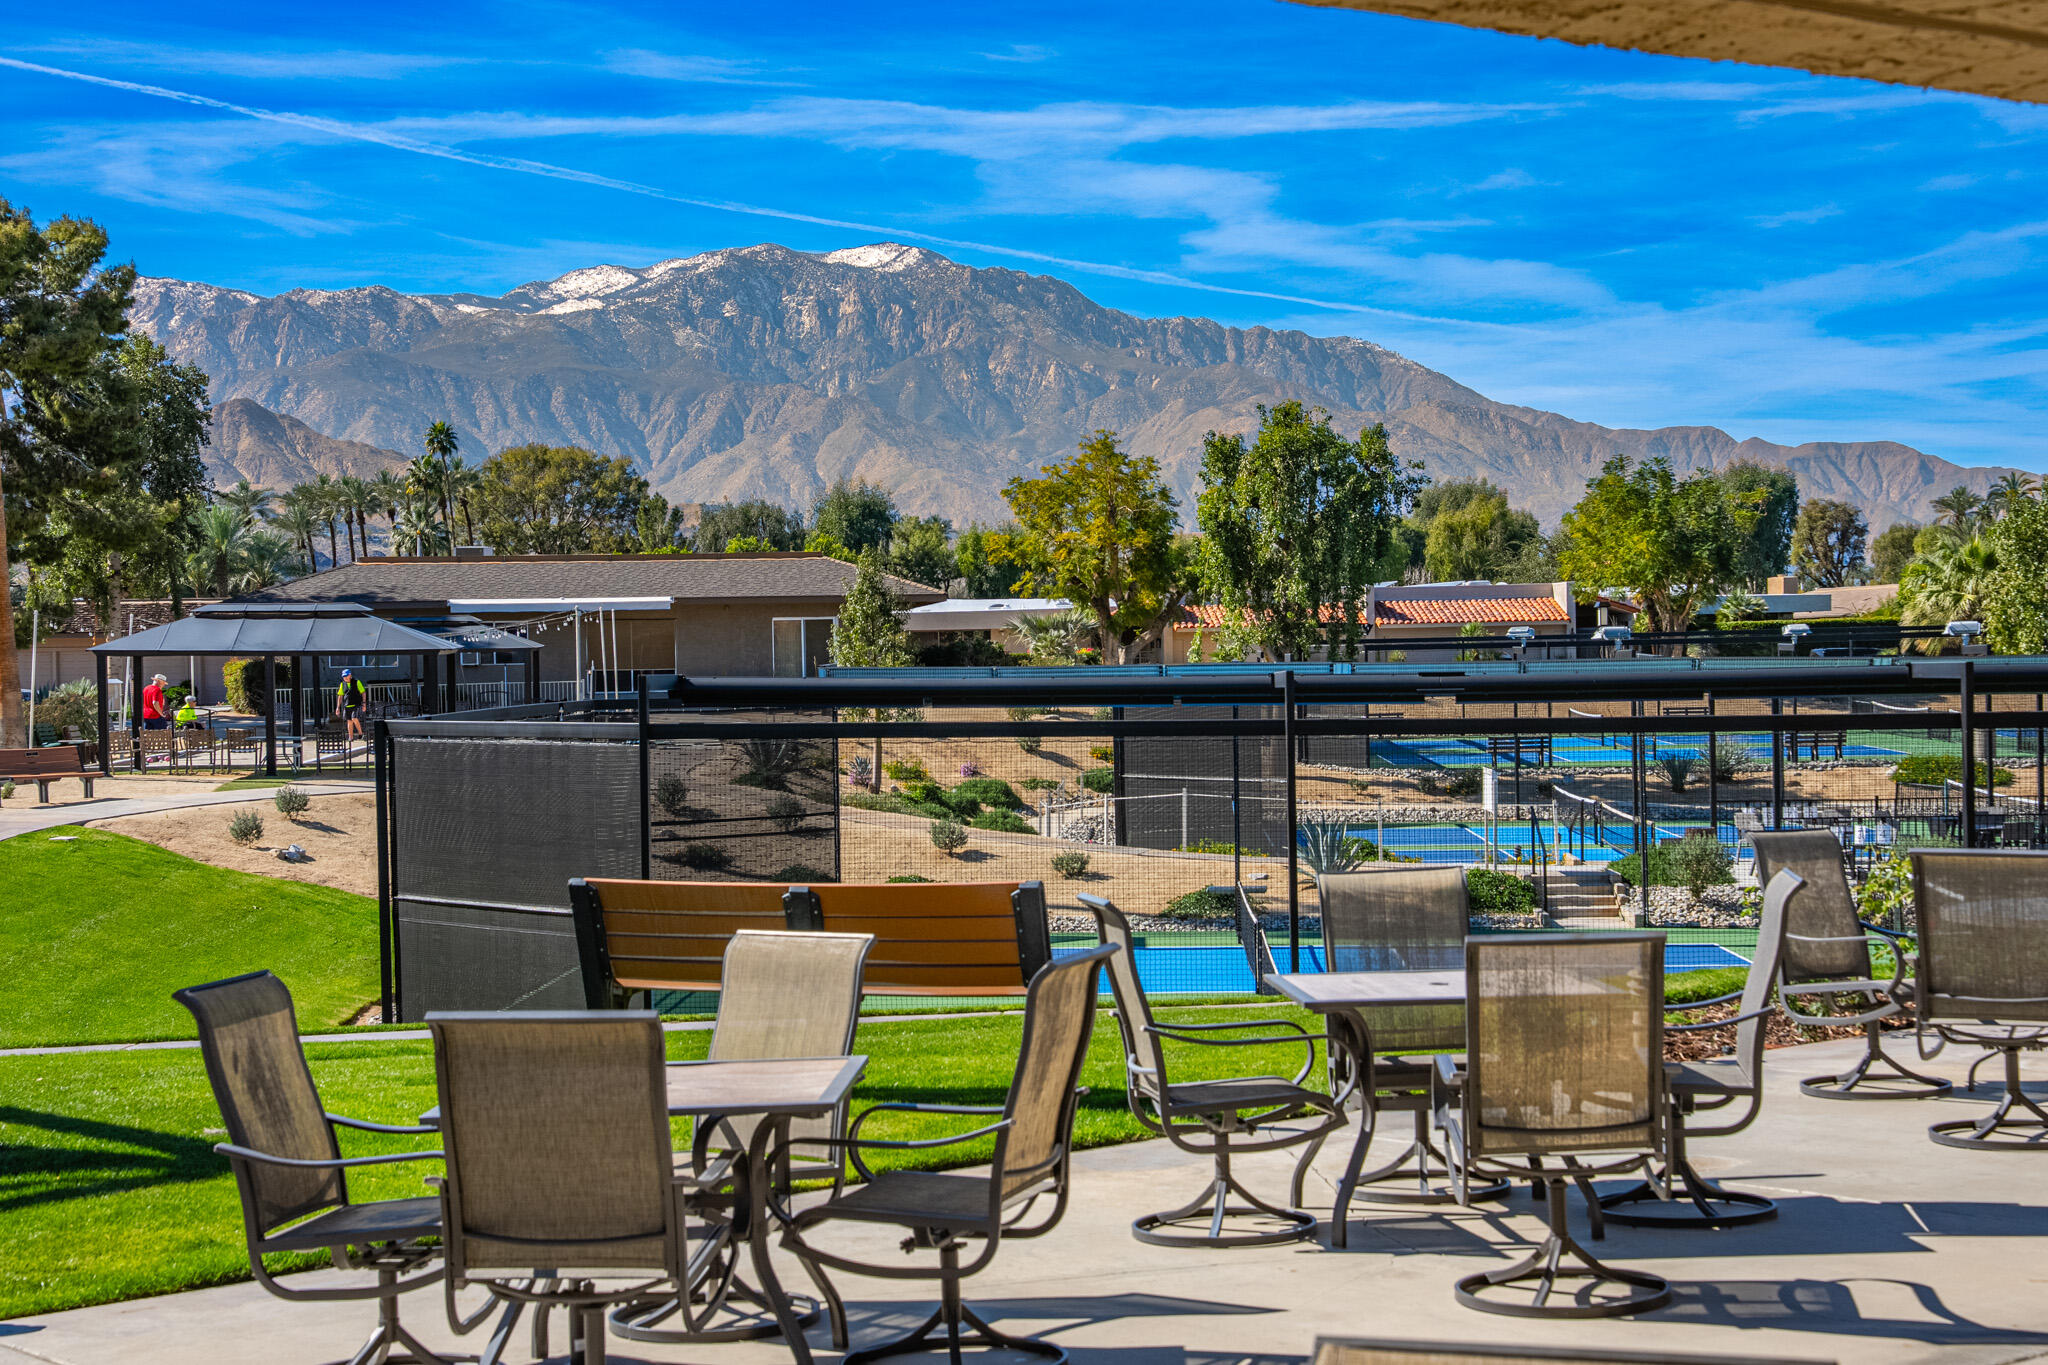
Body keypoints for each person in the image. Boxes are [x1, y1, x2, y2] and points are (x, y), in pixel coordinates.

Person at [334, 668, 367, 740]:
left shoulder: (357, 682)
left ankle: (360, 733)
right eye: (343, 676)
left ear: (350, 675)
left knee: (354, 718)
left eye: (346, 675)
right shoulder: (342, 684)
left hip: (356, 704)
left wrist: (364, 703)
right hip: (347, 705)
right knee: (349, 721)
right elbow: (340, 696)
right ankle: (350, 737)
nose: (345, 677)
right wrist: (338, 707)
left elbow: (363, 692)